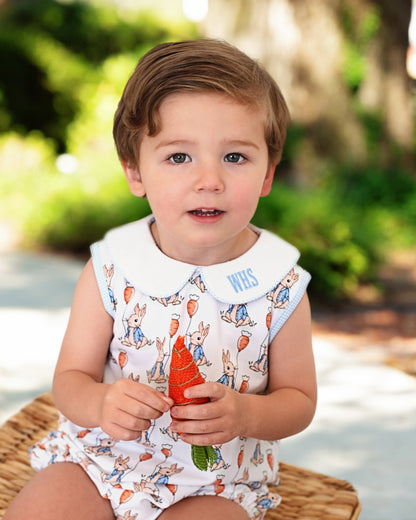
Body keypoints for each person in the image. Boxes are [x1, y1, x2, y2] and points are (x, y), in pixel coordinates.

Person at [5, 39, 317, 520]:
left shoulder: (280, 286)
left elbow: (298, 401)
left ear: (268, 174)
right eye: (178, 157)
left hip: (217, 482)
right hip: (99, 462)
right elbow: (70, 380)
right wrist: (102, 400)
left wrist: (246, 414)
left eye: (235, 157)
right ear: (135, 172)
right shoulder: (112, 270)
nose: (209, 179)